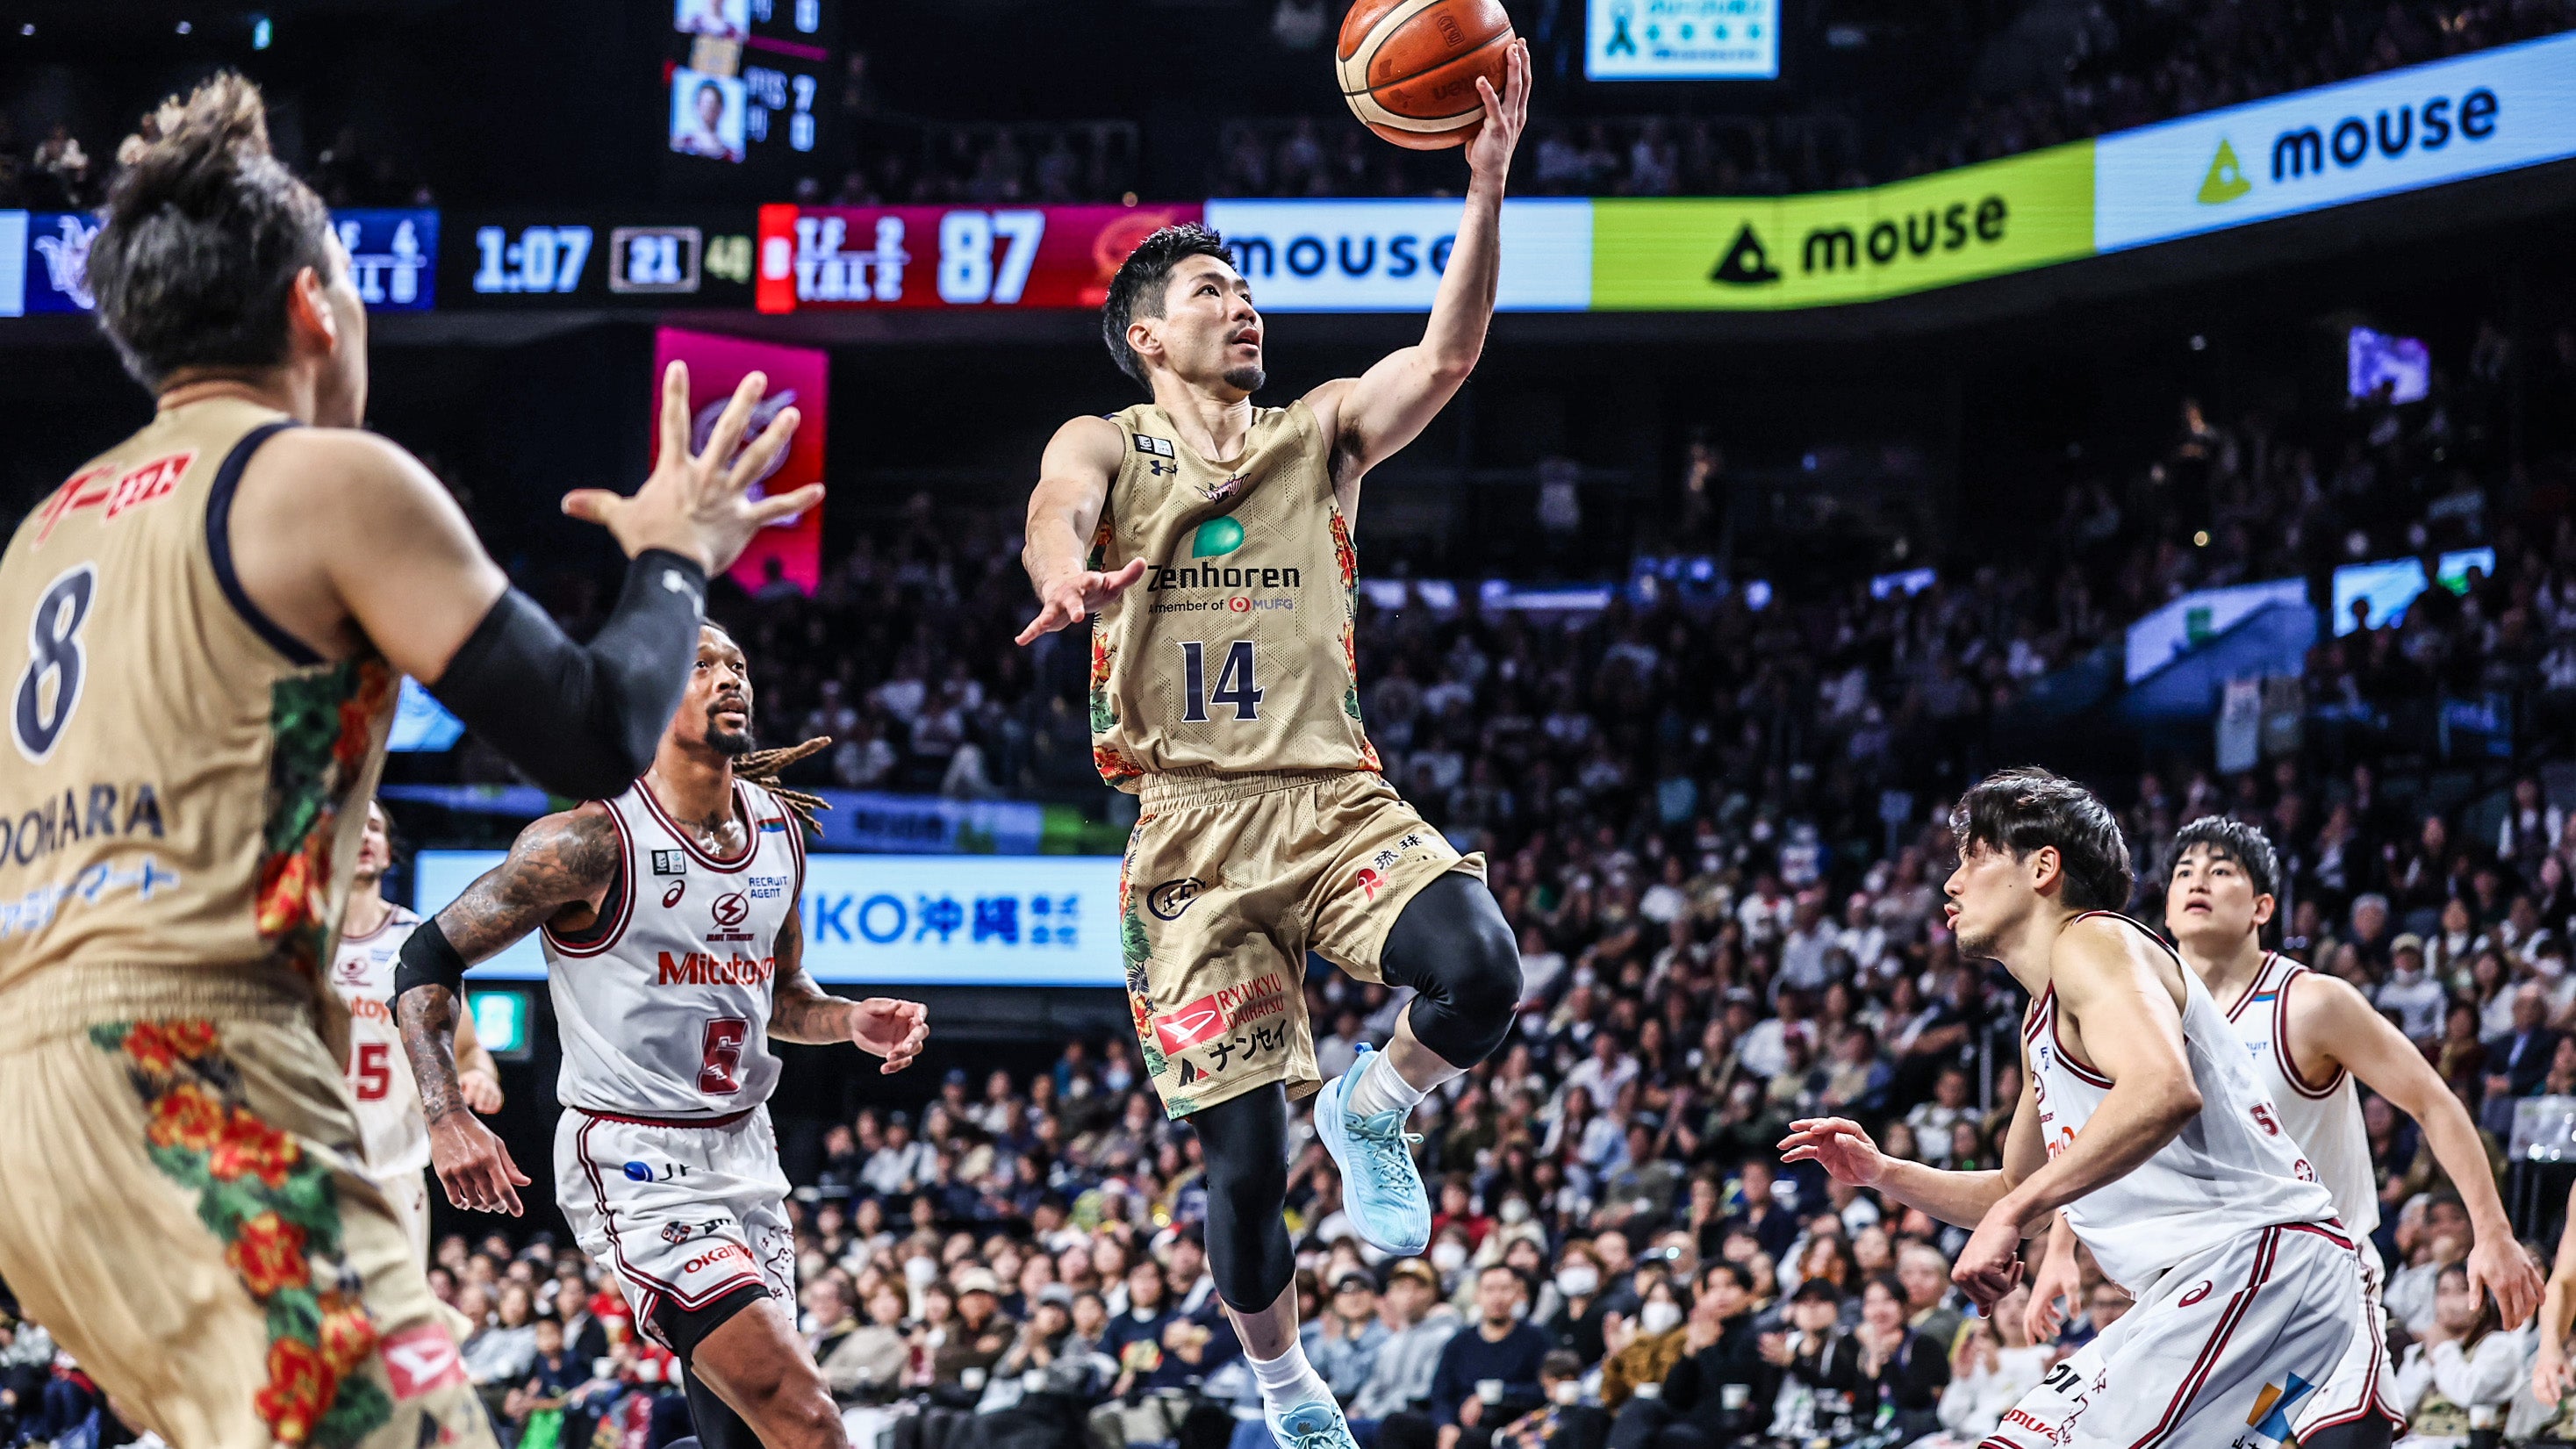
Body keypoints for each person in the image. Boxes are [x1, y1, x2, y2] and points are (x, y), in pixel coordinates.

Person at [0, 72, 807, 1449]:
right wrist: (676, 554)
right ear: (316, 305)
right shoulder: (322, 476)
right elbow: (594, 730)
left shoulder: (43, 532)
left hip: (29, 1099)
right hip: (189, 1059)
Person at [1010, 40, 1531, 1449]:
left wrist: (1483, 185)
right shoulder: (1111, 440)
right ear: (1145, 335)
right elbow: (1056, 500)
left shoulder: (1319, 435)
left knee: (1482, 967)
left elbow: (1447, 354)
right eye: (1208, 293)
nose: (1240, 307)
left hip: (1330, 797)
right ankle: (1290, 1389)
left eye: (1244, 291)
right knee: (1242, 1163)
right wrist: (1061, 571)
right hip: (1188, 824)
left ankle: (1375, 1100)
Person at [392, 623, 929, 1449]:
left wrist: (848, 1020)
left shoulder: (779, 831)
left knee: (745, 1437)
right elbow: (427, 955)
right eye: (700, 665)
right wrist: (444, 1113)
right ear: (647, 695)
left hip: (746, 1151)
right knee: (809, 1420)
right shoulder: (588, 842)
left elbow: (782, 997)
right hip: (638, 1156)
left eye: (737, 664)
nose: (728, 678)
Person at [1782, 768, 2370, 1449]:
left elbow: (2162, 1090)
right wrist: (1884, 1172)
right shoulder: (2042, 1015)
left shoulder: (2092, 941)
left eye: (1974, 857)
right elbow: (2021, 1191)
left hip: (2260, 1266)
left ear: (2042, 867)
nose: (1951, 883)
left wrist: (2009, 1212)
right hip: (2226, 1285)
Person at [2032, 816, 2542, 1449]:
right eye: (2184, 872)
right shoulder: (2138, 1012)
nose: (2197, 881)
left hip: (2309, 1291)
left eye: (2220, 870)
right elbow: (2101, 1138)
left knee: (2335, 1439)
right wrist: (2060, 1249)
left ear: (2262, 907)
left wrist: (2492, 1232)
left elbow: (2433, 1102)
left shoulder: (2310, 1003)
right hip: (2197, 1298)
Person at [334, 799, 506, 1260]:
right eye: (353, 825)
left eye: (375, 827)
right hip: (305, 1163)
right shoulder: (296, 941)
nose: (364, 836)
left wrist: (479, 1076)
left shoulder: (418, 945)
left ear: (389, 851)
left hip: (392, 1168)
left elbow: (468, 1050)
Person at [2387, 1264, 2518, 1447]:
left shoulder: (2499, 1347)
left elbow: (2468, 1392)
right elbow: (2399, 1406)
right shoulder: (2421, 1350)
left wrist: (2442, 1348)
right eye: (2443, 1292)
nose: (2451, 1301)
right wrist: (2430, 1357)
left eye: (2463, 1290)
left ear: (2483, 1303)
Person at [1427, 1266, 1549, 1449]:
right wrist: (1446, 1425)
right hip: (1458, 1425)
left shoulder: (1537, 1339)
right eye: (1489, 1289)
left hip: (1508, 1427)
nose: (1497, 1297)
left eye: (1505, 1289)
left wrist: (1496, 1395)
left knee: (1471, 1438)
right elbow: (1441, 1394)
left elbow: (1544, 1389)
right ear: (1477, 1295)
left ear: (1519, 1294)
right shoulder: (1459, 1343)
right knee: (1398, 1422)